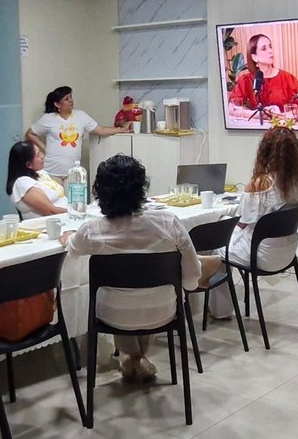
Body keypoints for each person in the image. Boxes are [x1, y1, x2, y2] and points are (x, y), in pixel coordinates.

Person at [64, 155, 226, 382]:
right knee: (152, 289)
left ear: (99, 192)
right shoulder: (168, 222)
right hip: (163, 311)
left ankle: (132, 358)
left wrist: (68, 236)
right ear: (142, 188)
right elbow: (190, 281)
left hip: (111, 315)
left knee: (123, 296)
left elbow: (71, 251)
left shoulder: (91, 230)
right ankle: (136, 358)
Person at [228, 126, 298, 275]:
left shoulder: (259, 183)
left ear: (265, 151)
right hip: (287, 253)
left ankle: (214, 296)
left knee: (214, 244)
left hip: (258, 255)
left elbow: (242, 222)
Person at [26, 85, 128, 177]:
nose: (71, 100)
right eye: (66, 99)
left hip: (73, 172)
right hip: (51, 171)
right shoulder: (49, 118)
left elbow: (100, 129)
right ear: (57, 104)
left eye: (71, 97)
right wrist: (44, 147)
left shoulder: (80, 115)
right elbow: (30, 134)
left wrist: (121, 129)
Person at [226, 33, 298, 124]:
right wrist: (258, 114)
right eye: (264, 48)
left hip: (283, 129)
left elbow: (297, 112)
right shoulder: (246, 80)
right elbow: (232, 108)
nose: (270, 51)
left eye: (270, 46)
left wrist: (276, 115)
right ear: (254, 57)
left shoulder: (288, 78)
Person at [6, 140, 69, 218]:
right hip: (48, 226)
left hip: (66, 219)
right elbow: (51, 211)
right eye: (38, 155)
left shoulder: (41, 173)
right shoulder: (22, 183)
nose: (42, 156)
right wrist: (78, 213)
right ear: (28, 164)